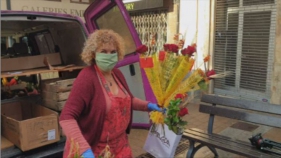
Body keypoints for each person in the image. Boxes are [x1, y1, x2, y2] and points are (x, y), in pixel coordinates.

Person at [59, 29, 163, 158]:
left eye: (113, 52)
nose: (109, 55)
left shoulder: (117, 74)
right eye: (103, 51)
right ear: (93, 54)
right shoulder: (87, 77)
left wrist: (148, 106)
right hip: (96, 148)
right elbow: (67, 117)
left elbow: (128, 99)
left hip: (120, 146)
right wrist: (84, 149)